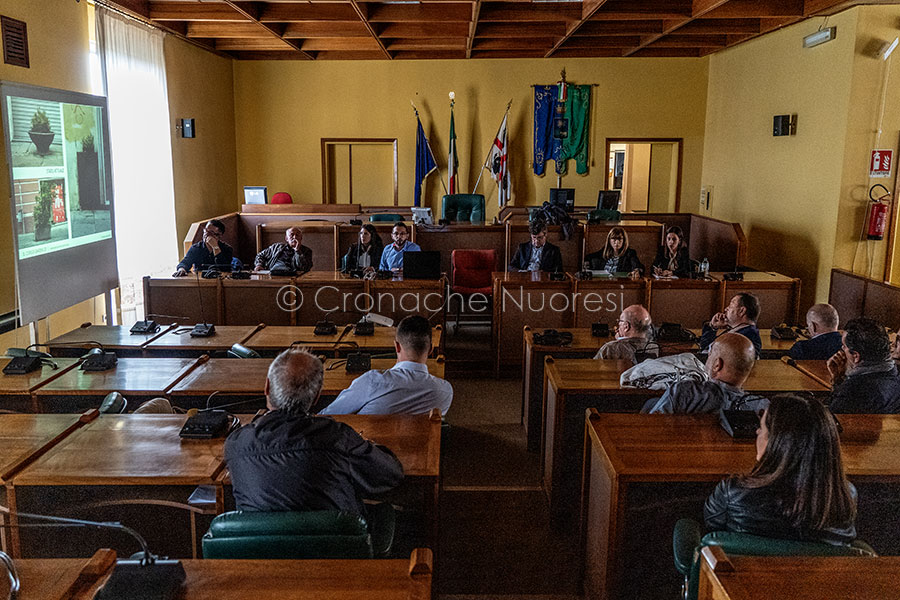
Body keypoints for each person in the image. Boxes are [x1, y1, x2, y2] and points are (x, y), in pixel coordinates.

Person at [224, 348, 403, 513]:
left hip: (260, 538)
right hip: (335, 538)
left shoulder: (236, 444)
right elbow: (389, 474)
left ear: (267, 388)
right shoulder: (338, 437)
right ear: (317, 396)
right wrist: (367, 446)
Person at [704, 394, 857, 545]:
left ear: (776, 443)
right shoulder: (844, 496)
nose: (757, 432)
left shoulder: (732, 493)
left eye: (761, 428)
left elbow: (710, 534)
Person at [321, 315, 453, 416]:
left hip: (367, 444)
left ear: (396, 346)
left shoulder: (372, 381)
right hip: (421, 445)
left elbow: (328, 415)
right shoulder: (445, 391)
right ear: (430, 350)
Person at [644, 332, 767, 414]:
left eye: (710, 354)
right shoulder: (761, 407)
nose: (708, 358)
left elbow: (651, 426)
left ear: (717, 365)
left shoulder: (683, 392)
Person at [827, 317, 900, 413]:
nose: (842, 349)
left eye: (844, 346)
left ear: (856, 356)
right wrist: (839, 378)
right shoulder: (895, 374)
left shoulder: (853, 390)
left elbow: (830, 417)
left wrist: (837, 382)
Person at [593, 304, 658, 363]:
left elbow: (594, 367)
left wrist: (618, 342)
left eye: (620, 321)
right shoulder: (654, 348)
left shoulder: (609, 348)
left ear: (626, 326)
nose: (618, 324)